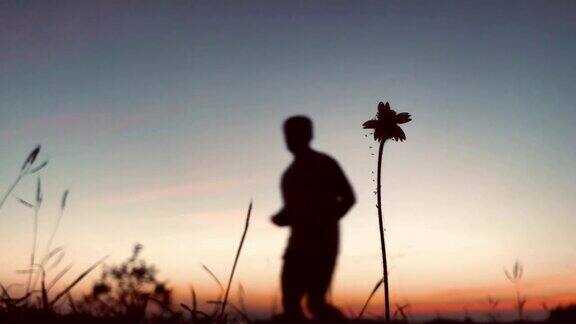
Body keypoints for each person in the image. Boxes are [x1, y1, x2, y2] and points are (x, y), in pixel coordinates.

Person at [271, 116, 355, 323]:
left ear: (309, 135)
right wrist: (282, 217)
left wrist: (325, 221)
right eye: (288, 134)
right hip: (296, 245)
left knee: (315, 302)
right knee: (290, 303)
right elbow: (293, 211)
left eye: (295, 133)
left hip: (323, 244)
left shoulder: (325, 163)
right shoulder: (288, 175)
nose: (290, 139)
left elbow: (348, 198)